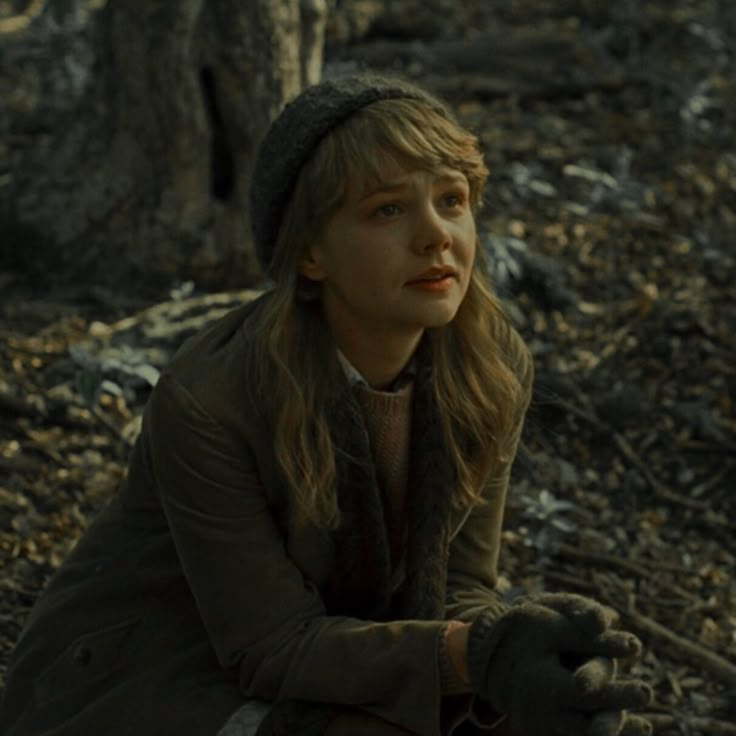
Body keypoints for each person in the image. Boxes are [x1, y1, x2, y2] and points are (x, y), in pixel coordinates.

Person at [0, 73, 653, 736]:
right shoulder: (210, 398)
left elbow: (456, 585)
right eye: (387, 210)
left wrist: (516, 654)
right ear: (310, 252)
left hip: (335, 656)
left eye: (452, 200)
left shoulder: (492, 365)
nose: (436, 236)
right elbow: (271, 646)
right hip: (141, 676)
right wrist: (473, 656)